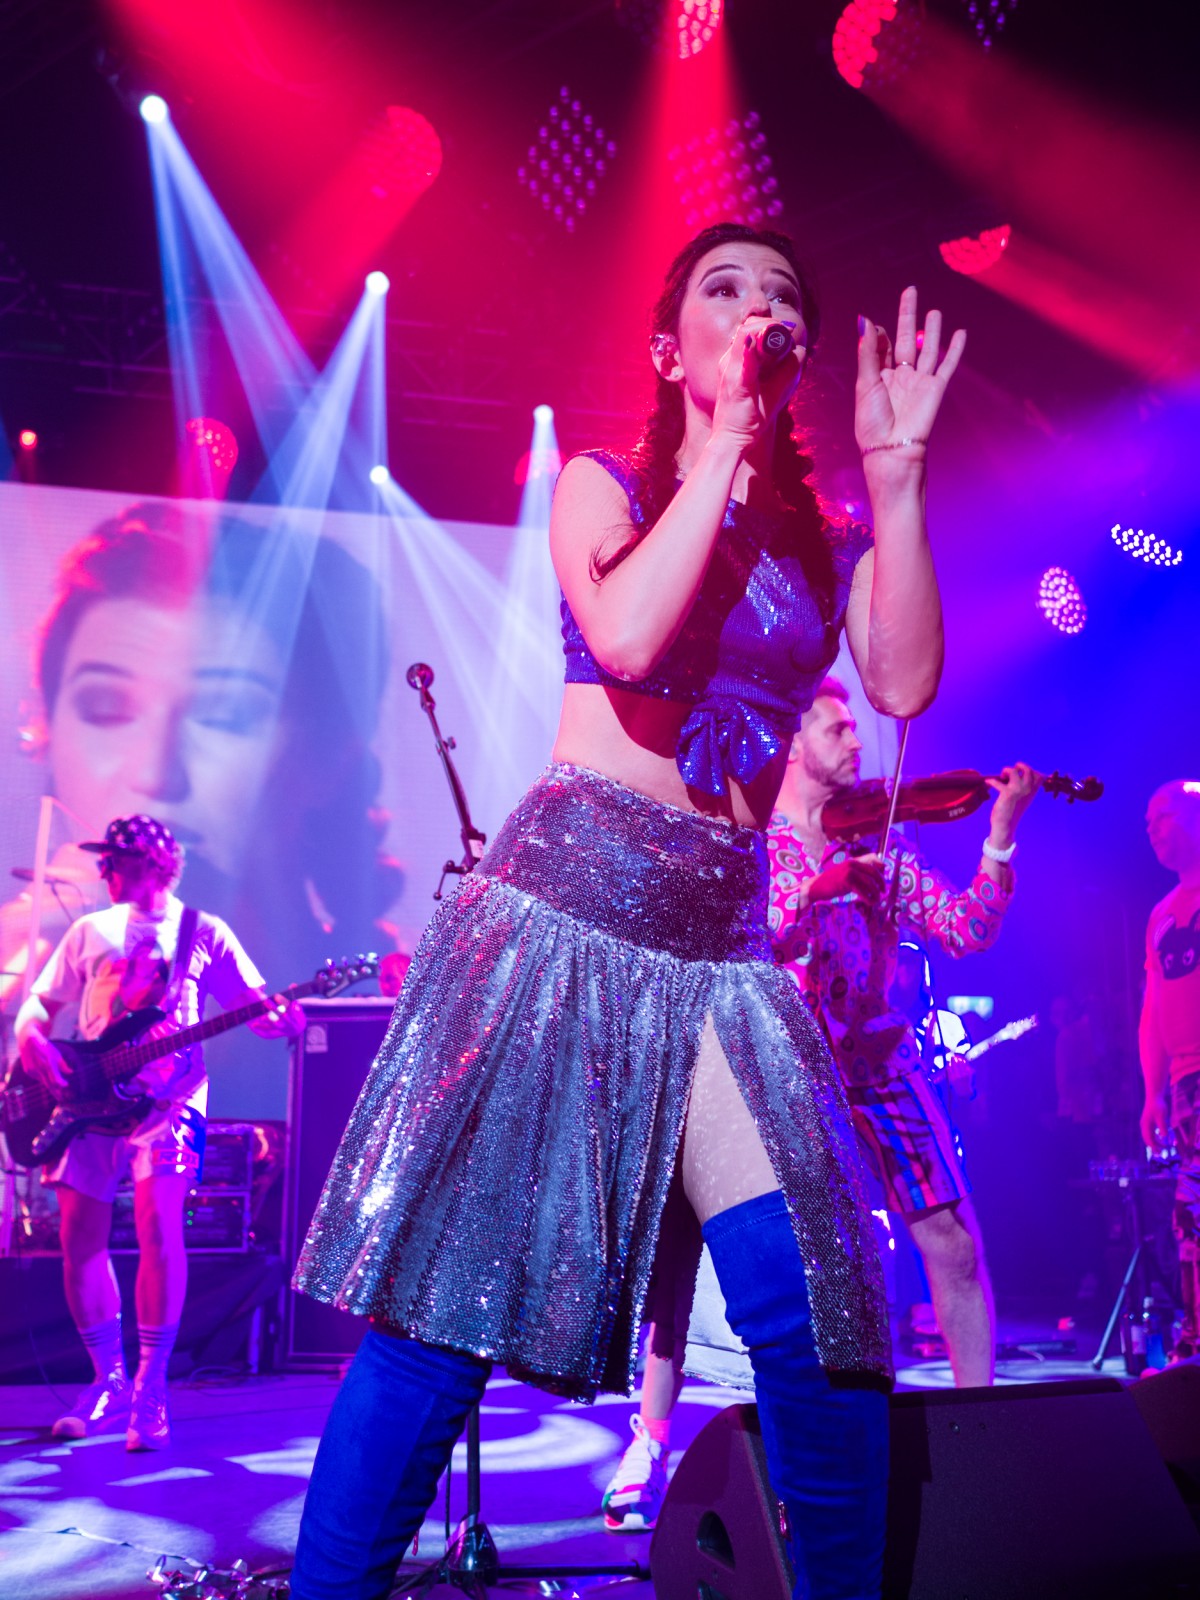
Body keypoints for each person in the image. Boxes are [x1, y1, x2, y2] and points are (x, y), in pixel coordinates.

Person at [289, 222, 966, 1600]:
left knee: (823, 1308)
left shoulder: (821, 540)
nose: (761, 307)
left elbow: (902, 686)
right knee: (445, 1316)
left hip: (725, 953)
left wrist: (894, 479)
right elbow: (631, 638)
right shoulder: (602, 484)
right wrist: (725, 438)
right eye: (727, 289)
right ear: (669, 348)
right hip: (569, 916)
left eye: (783, 294)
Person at [601, 680, 1038, 1529]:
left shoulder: (879, 842)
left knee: (951, 1240)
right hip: (777, 1069)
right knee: (696, 1255)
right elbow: (731, 942)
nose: (857, 742)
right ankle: (649, 1441)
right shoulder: (749, 836)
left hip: (877, 1061)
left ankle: (975, 1430)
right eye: (838, 728)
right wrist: (818, 890)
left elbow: (964, 930)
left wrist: (999, 838)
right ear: (795, 744)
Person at [0, 503, 401, 1022]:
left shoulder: (391, 1020)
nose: (155, 774)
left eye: (226, 716)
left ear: (329, 756)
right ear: (47, 732)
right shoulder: (27, 964)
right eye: (106, 710)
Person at [12, 814, 304, 1449]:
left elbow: (254, 1004)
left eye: (113, 859)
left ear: (151, 863)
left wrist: (278, 1018)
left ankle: (151, 1387)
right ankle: (108, 1380)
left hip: (169, 1101)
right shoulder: (91, 931)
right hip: (87, 1098)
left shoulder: (203, 931)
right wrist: (31, 1036)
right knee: (79, 1238)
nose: (103, 870)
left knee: (159, 1229)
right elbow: (39, 1002)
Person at [1139, 780, 1200, 1361]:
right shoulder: (1160, 915)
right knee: (1191, 1213)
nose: (1152, 830)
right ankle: (1194, 1342)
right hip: (1185, 1085)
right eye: (1148, 823)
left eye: (1163, 817)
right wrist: (1152, 1094)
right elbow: (1153, 1009)